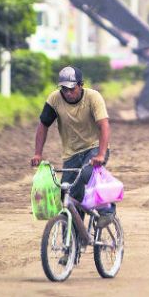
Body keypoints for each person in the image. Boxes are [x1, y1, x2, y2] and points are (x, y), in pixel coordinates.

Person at [30, 66, 116, 233]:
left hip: (94, 149)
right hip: (71, 153)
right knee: (67, 197)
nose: (68, 93)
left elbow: (104, 125)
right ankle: (71, 246)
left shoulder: (93, 97)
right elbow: (43, 125)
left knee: (86, 175)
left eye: (71, 89)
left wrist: (101, 154)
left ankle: (107, 210)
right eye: (64, 89)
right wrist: (38, 153)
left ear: (80, 85)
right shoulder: (55, 99)